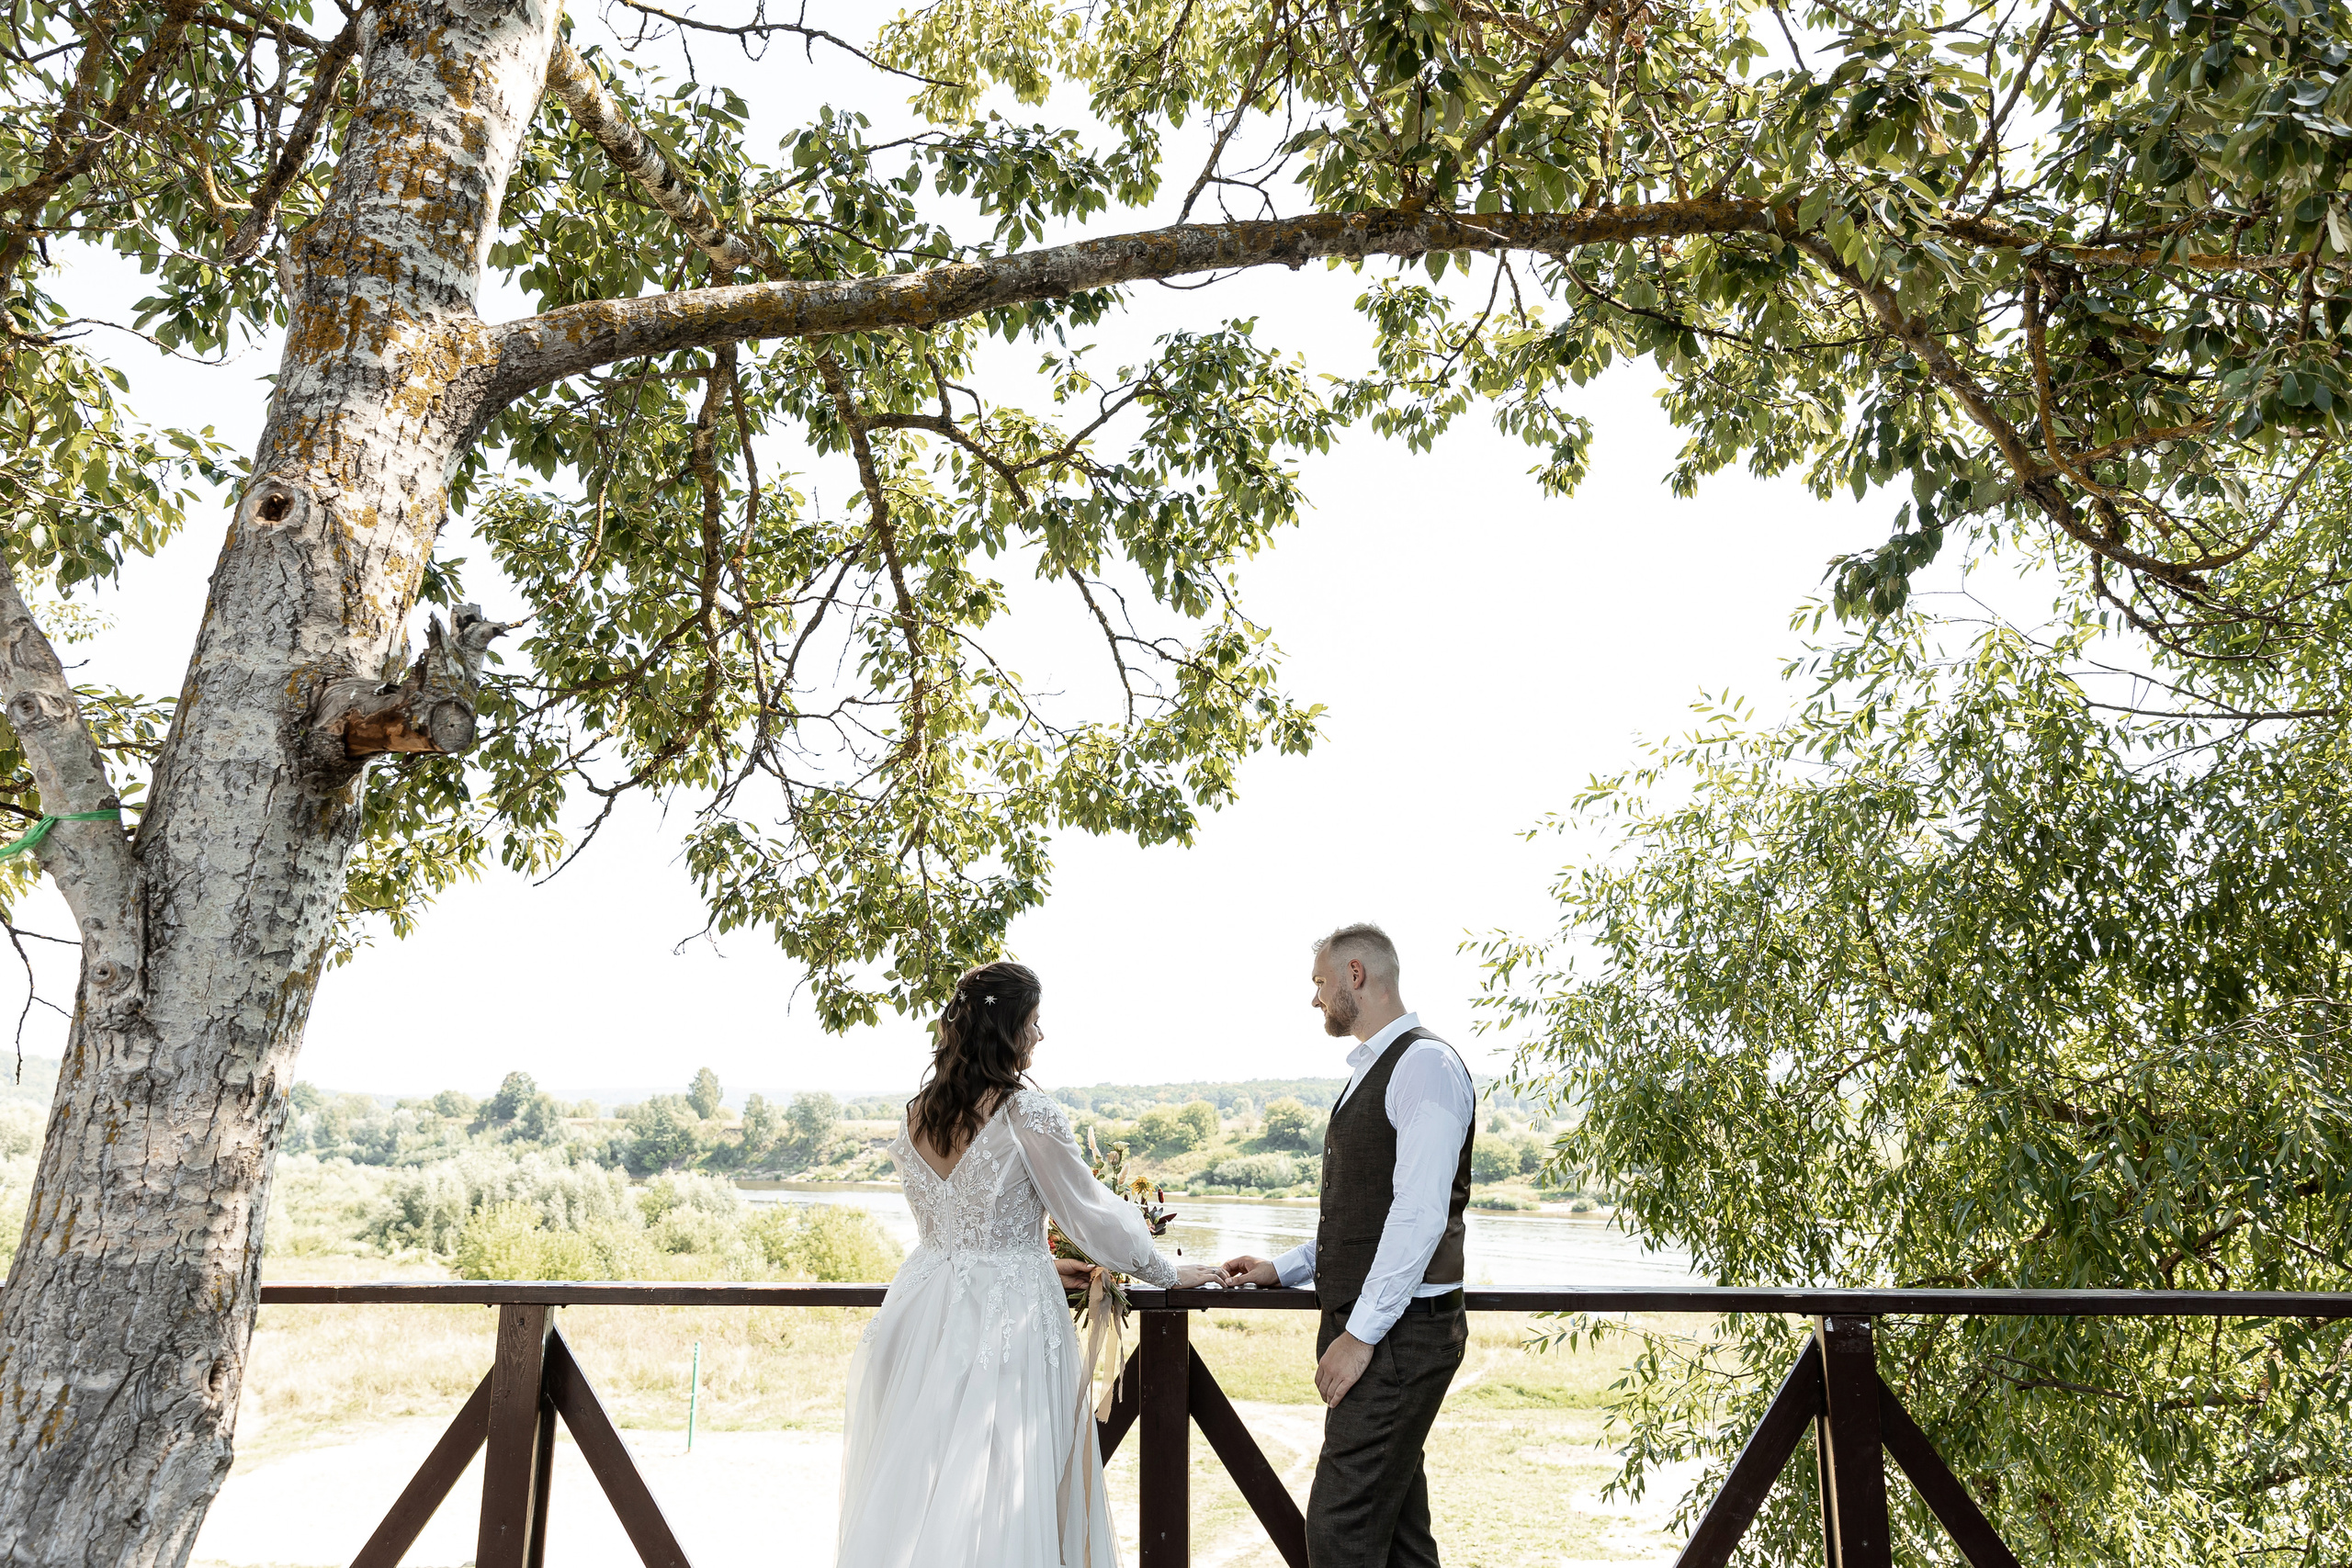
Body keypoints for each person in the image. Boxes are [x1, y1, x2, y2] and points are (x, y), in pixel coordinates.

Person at [837, 959, 1218, 1568]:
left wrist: (1031, 1252)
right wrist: (1166, 1271)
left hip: (919, 1308)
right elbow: (1090, 1212)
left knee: (923, 1489)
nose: (1040, 1035)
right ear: (1009, 1029)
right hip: (1005, 1318)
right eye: (1034, 1022)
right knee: (1003, 1489)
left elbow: (962, 1224)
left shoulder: (916, 1114)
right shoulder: (1026, 1114)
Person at [1217, 924, 1476, 1568]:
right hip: (1388, 1332)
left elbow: (1417, 1218)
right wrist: (1285, 1265)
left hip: (1398, 1338)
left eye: (1319, 982)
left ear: (1355, 974)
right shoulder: (1381, 1069)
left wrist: (1360, 1337)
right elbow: (1367, 1214)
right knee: (1399, 1540)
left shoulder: (1426, 1066)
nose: (1315, 999)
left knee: (1339, 1532)